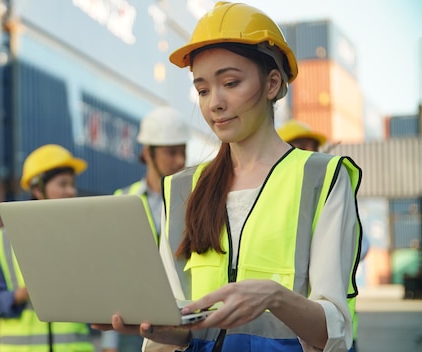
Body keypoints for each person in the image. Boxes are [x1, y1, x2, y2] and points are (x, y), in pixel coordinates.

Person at [93, 2, 362, 352]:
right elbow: (183, 328)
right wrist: (153, 327)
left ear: (272, 83)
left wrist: (275, 297)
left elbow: (335, 333)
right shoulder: (182, 189)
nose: (214, 103)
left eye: (230, 83)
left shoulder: (321, 178)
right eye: (202, 90)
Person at [0, 144, 95, 352]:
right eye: (63, 184)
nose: (71, 191)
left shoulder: (83, 237)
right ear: (37, 189)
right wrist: (22, 294)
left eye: (72, 184)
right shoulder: (6, 239)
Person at [101, 107, 190, 352]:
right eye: (171, 152)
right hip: (133, 323)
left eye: (183, 151)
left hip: (182, 322)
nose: (181, 160)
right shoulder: (122, 200)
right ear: (147, 152)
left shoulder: (194, 201)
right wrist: (111, 342)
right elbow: (114, 270)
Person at [278, 119, 369, 351]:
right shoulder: (277, 200)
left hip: (337, 331)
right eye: (299, 146)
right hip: (289, 334)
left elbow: (362, 246)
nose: (308, 153)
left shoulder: (329, 187)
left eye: (311, 146)